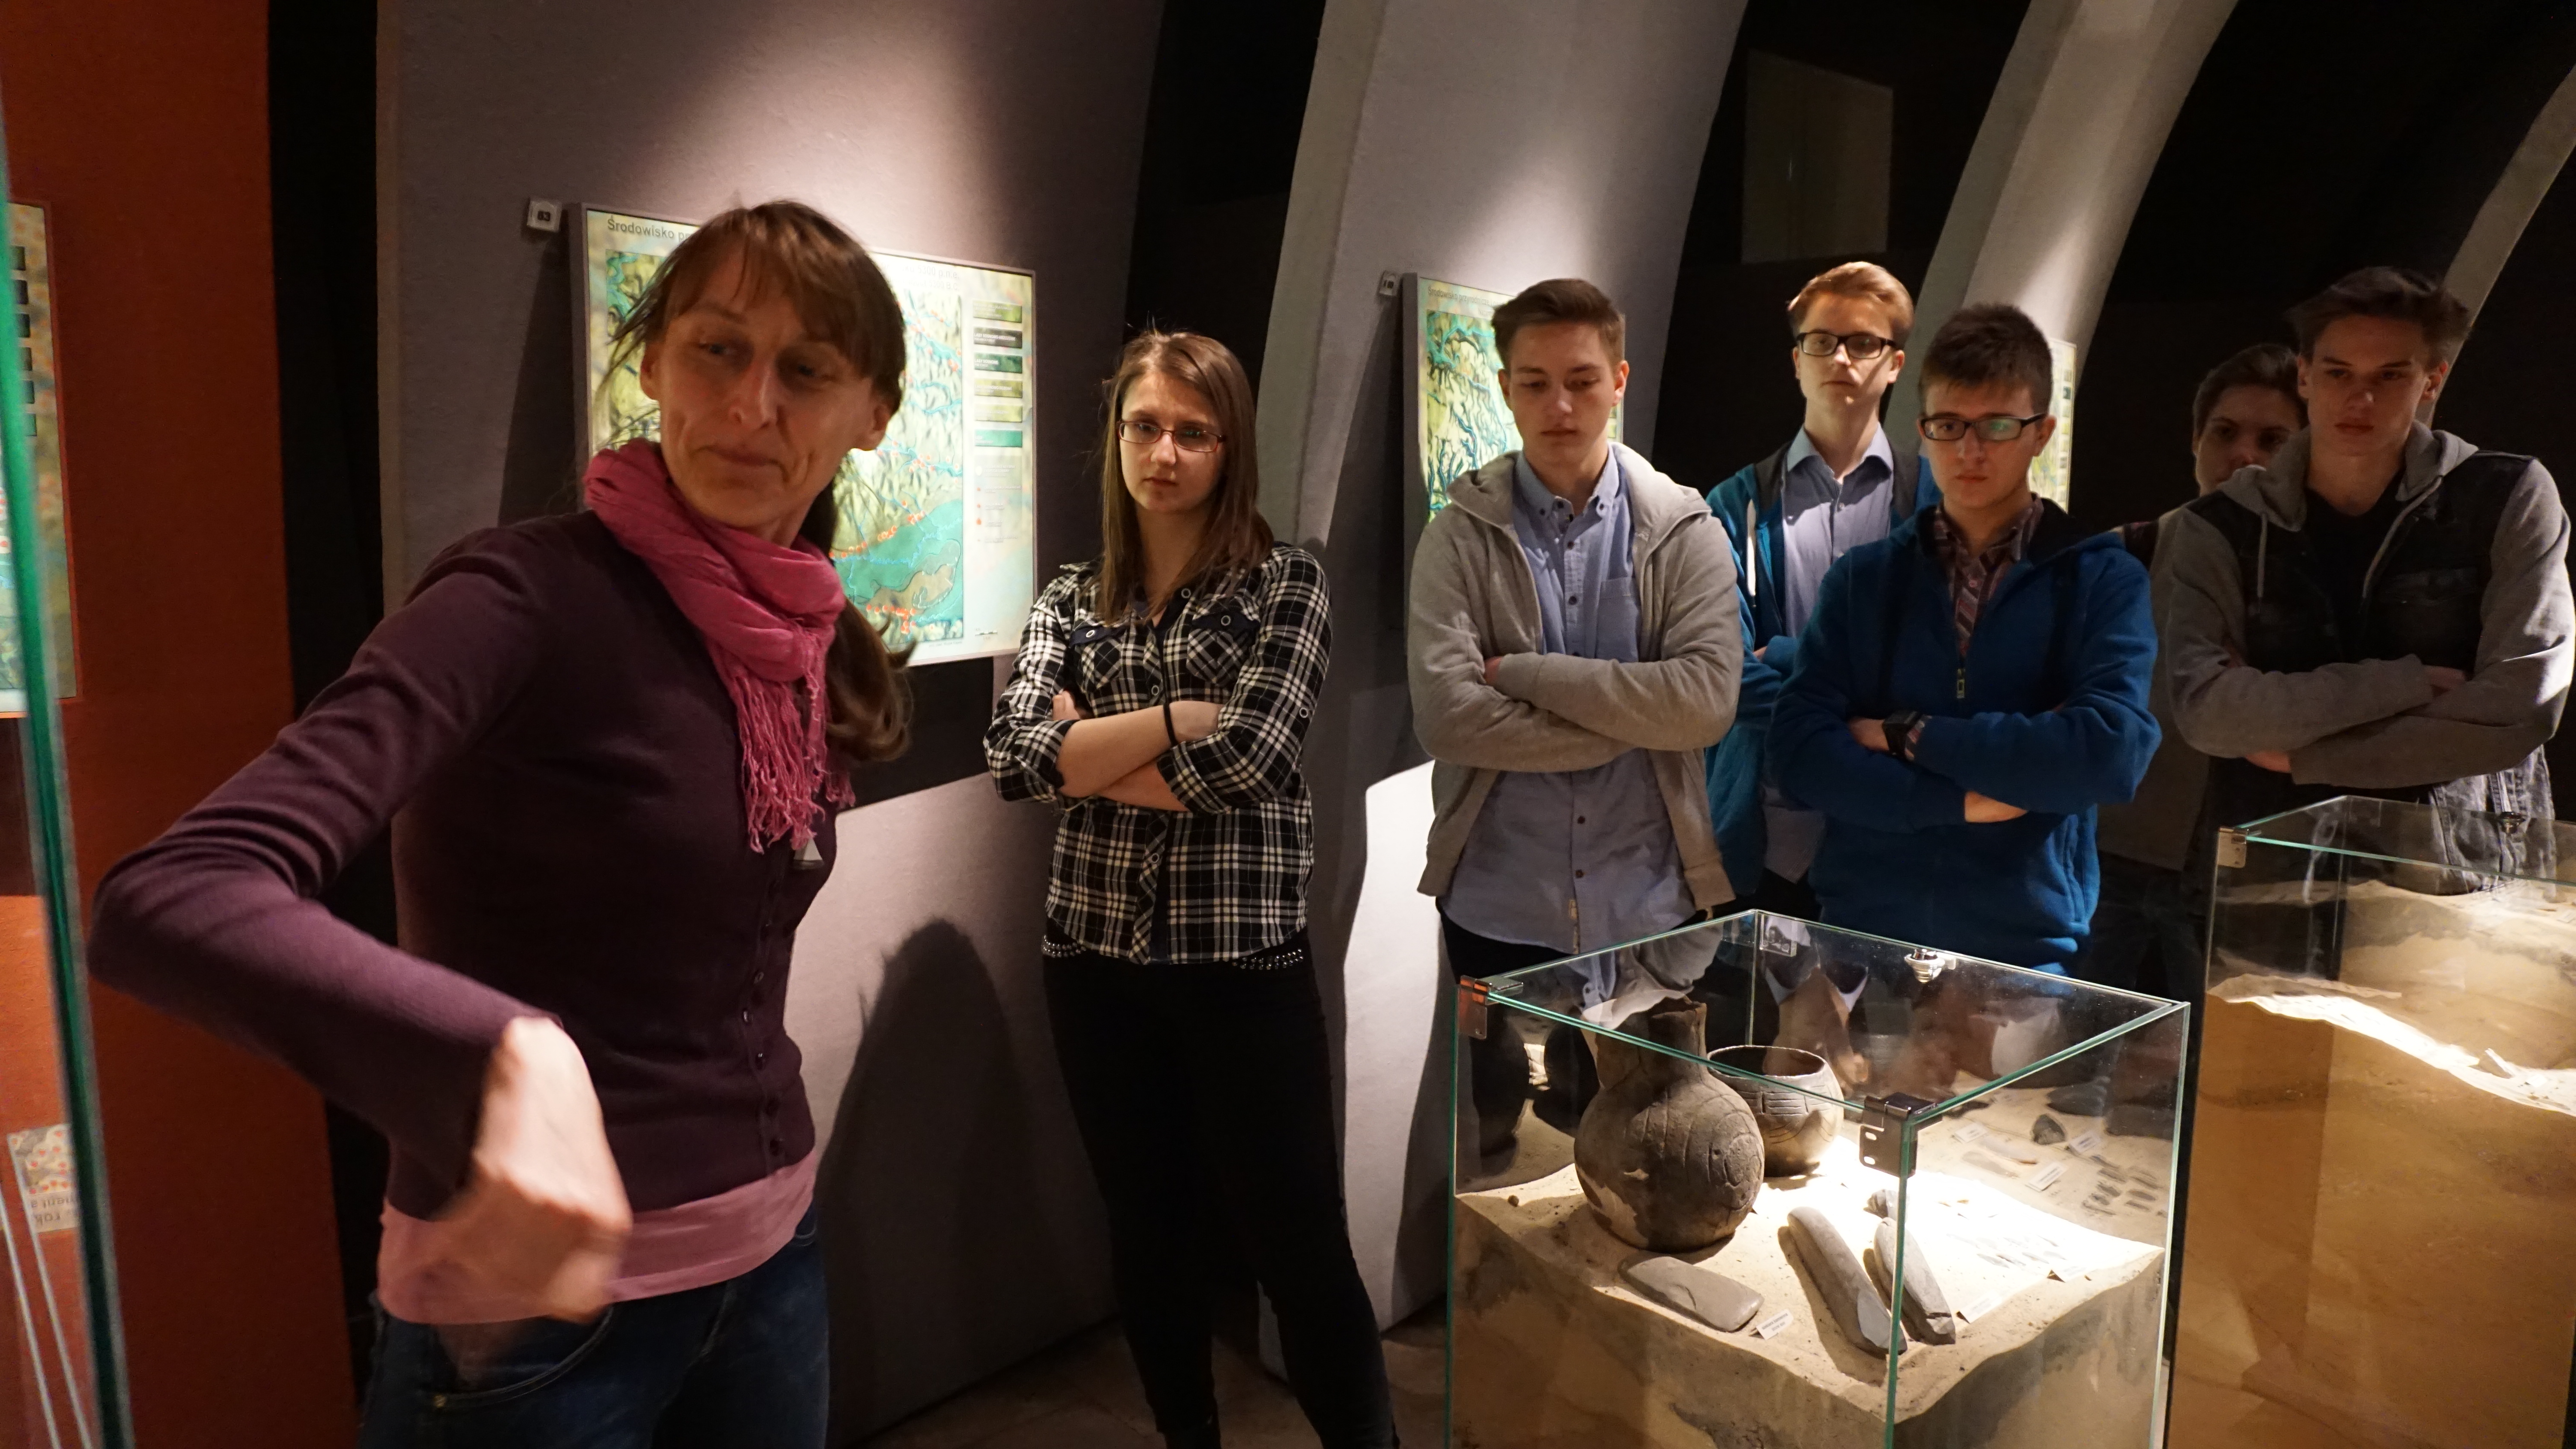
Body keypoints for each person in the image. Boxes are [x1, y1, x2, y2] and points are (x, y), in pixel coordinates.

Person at [87, 201, 912, 1445]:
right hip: (534, 1318)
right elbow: (171, 892)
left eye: (805, 371)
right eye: (717, 350)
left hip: (769, 1255)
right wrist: (502, 1053)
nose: (751, 405)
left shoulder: (800, 628)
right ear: (653, 364)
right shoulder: (524, 596)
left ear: (872, 415)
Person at [984, 332, 1389, 1449]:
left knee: (1299, 1245)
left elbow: (1253, 759)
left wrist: (1087, 754)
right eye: (1144, 426)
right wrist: (1171, 720)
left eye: (1192, 432)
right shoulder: (1073, 596)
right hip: (1093, 964)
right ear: (1117, 436)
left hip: (1241, 968)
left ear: (1230, 445)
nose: (1163, 453)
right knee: (1147, 1232)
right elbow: (1013, 758)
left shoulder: (1284, 582)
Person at [1406, 277, 1741, 1153]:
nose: (1560, 405)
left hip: (1649, 910)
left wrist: (1525, 674)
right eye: (1535, 382)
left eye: (1583, 380)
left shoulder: (1685, 528)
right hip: (1498, 911)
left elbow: (1705, 703)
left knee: (1658, 1158)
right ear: (1505, 387)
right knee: (1496, 1164)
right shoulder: (1457, 536)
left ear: (1619, 380)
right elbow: (1450, 720)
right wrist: (1635, 715)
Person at [1770, 302, 2159, 971]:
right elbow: (1800, 752)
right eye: (1949, 426)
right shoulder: (1865, 579)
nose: (1970, 451)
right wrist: (1957, 801)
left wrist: (1904, 734)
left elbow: (2109, 753)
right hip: (1862, 937)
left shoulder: (2099, 578)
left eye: (1997, 426)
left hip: (2024, 948)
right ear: (1923, 432)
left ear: (2041, 433)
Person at [2160, 267, 2572, 836]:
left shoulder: (2506, 495)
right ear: (2305, 376)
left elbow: (2521, 707)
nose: (2361, 398)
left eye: (2391, 375)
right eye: (2338, 372)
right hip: (2267, 856)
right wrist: (2408, 685)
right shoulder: (2223, 524)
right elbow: (2209, 714)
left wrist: (2306, 756)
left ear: (2432, 381)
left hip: (2455, 856)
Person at [1707, 261, 1939, 921]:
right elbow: (1720, 676)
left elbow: (1940, 677)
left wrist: (1784, 655)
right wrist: (1868, 719)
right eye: (1822, 341)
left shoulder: (1936, 506)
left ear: (1894, 365)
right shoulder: (1735, 505)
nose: (1841, 357)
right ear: (1797, 360)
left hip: (1893, 838)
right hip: (1763, 838)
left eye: (1863, 342)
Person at [2078, 345, 2304, 995]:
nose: (2244, 454)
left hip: (2242, 877)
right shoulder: (2126, 554)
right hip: (2106, 860)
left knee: (2223, 1051)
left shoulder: (2317, 583)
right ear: (2196, 440)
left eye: (2272, 439)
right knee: (2069, 1046)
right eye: (2225, 432)